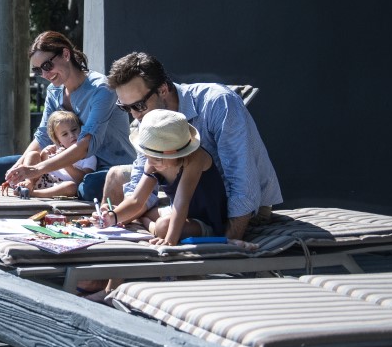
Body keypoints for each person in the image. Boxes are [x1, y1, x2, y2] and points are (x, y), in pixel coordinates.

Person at [104, 51, 282, 240]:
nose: (134, 115)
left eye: (138, 105)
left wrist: (228, 242)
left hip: (237, 210)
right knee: (116, 177)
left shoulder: (217, 103)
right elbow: (141, 188)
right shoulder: (149, 121)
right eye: (124, 108)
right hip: (190, 200)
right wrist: (112, 216)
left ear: (163, 90)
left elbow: (243, 182)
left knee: (162, 223)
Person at [0, 31, 134, 202]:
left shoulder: (101, 88)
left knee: (88, 187)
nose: (45, 75)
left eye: (47, 66)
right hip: (65, 166)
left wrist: (36, 170)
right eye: (38, 70)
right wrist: (16, 171)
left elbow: (85, 146)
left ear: (66, 54)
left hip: (107, 167)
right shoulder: (54, 91)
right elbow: (43, 137)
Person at [100, 109, 228, 245]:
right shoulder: (153, 163)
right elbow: (136, 200)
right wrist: (111, 217)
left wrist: (170, 241)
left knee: (163, 226)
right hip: (175, 212)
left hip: (205, 221)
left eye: (157, 157)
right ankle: (144, 221)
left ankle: (147, 224)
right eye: (147, 155)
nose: (151, 161)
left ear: (174, 153)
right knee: (132, 214)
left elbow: (181, 203)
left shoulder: (196, 159)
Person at [5, 110, 96, 198]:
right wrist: (44, 154)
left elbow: (84, 179)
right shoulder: (55, 149)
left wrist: (64, 162)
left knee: (71, 187)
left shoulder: (89, 155)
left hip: (59, 187)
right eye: (65, 134)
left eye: (74, 130)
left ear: (81, 129)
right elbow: (39, 167)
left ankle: (33, 193)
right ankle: (29, 182)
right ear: (58, 140)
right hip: (41, 180)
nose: (71, 135)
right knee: (33, 154)